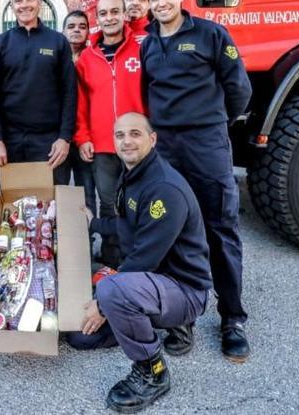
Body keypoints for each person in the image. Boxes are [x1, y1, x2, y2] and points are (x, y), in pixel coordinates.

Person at [141, 0, 252, 362]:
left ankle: (232, 319)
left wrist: (215, 124)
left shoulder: (210, 35)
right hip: (167, 149)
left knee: (220, 229)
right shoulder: (149, 44)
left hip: (207, 144)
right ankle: (181, 317)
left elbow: (239, 89)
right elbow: (146, 95)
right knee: (172, 230)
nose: (161, 3)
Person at [82, 112, 211, 413]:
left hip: (184, 289)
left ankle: (152, 372)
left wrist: (102, 304)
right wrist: (93, 225)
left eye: (135, 134)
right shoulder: (134, 174)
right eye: (120, 135)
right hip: (153, 282)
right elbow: (128, 228)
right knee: (81, 336)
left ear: (152, 139)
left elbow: (144, 259)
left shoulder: (163, 188)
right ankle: (165, 323)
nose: (127, 141)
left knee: (111, 292)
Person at [74, 0, 145, 269]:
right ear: (97, 19)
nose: (110, 17)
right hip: (103, 145)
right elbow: (81, 103)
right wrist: (83, 137)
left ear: (124, 14)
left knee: (139, 202)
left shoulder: (141, 50)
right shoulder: (87, 60)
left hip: (138, 145)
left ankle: (138, 260)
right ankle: (111, 260)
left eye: (115, 11)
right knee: (108, 205)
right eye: (104, 13)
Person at [0, 0, 77, 190]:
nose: (24, 5)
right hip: (10, 140)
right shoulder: (0, 44)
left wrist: (64, 137)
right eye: (18, 0)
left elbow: (70, 92)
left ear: (39, 3)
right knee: (13, 206)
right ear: (12, 6)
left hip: (50, 140)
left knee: (51, 205)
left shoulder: (58, 42)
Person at [62, 10, 97, 213]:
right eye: (72, 26)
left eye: (82, 27)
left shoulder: (94, 58)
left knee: (87, 196)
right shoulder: (56, 57)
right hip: (61, 138)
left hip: (87, 139)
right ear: (63, 30)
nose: (77, 30)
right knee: (61, 194)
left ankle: (88, 242)